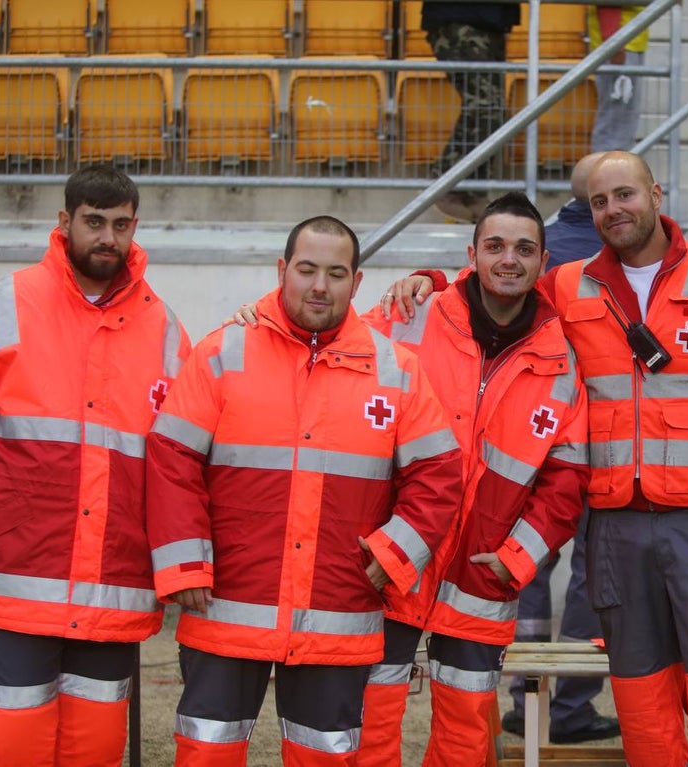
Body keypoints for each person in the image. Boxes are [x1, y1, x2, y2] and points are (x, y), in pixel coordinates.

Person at [384, 150, 688, 767]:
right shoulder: (567, 283)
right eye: (600, 202)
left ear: (656, 195)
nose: (614, 210)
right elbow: (498, 284)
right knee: (641, 699)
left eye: (625, 195)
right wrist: (432, 279)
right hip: (616, 528)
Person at [234, 194, 590, 766]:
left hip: (483, 573)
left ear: (543, 262)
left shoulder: (562, 360)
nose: (508, 260)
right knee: (370, 724)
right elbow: (321, 332)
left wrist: (519, 559)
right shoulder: (411, 316)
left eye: (524, 249)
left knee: (467, 735)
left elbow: (567, 479)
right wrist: (261, 317)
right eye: (494, 246)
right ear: (470, 253)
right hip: (390, 562)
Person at [145, 215, 464, 766]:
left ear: (357, 283)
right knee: (205, 752)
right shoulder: (225, 352)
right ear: (282, 271)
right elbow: (172, 457)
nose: (320, 285)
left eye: (336, 273)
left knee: (326, 757)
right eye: (307, 269)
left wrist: (393, 556)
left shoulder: (397, 370)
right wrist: (184, 564)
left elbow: (439, 475)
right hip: (228, 606)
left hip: (336, 611)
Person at [0, 164, 191, 767]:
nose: (107, 239)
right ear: (64, 222)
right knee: (12, 748)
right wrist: (2, 502)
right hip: (13, 579)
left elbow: (175, 461)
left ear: (135, 227)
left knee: (93, 750)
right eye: (94, 222)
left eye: (120, 225)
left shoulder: (165, 329)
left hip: (110, 588)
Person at [501, 153, 620, 745]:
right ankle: (570, 707)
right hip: (605, 440)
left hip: (532, 434)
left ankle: (524, 703)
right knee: (590, 578)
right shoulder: (619, 257)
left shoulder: (536, 250)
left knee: (526, 567)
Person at [421, 2, 521, 223]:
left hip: (491, 21)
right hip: (459, 18)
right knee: (485, 106)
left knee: (494, 111)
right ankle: (445, 182)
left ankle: (473, 190)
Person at [589, 5, 649, 152]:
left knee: (621, 116)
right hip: (621, 43)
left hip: (626, 42)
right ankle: (610, 168)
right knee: (615, 119)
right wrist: (614, 42)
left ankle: (615, 165)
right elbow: (609, 4)